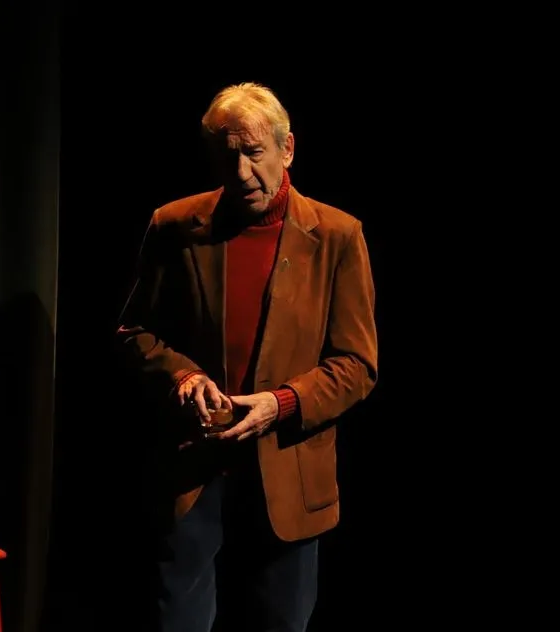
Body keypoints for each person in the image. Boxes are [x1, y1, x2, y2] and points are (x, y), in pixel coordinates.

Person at [116, 82, 379, 632]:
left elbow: (357, 365)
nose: (239, 172)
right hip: (193, 464)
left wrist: (280, 404)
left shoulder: (336, 236)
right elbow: (134, 332)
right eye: (225, 154)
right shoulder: (173, 226)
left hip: (287, 468)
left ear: (287, 149)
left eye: (254, 153)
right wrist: (181, 374)